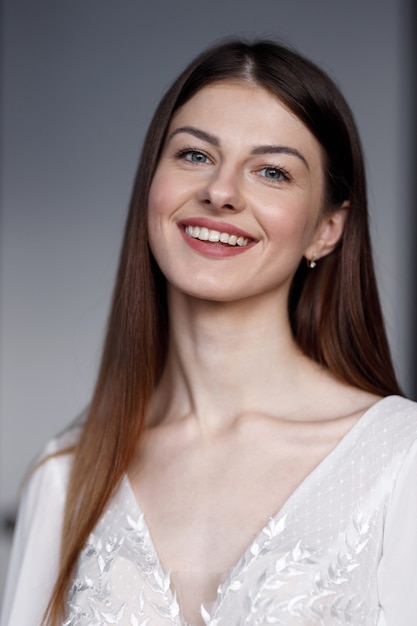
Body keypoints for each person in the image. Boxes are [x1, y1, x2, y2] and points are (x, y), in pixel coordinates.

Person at [1, 38, 417, 626]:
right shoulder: (65, 477)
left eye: (271, 171)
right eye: (195, 156)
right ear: (152, 185)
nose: (220, 192)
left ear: (326, 229)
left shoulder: (402, 461)